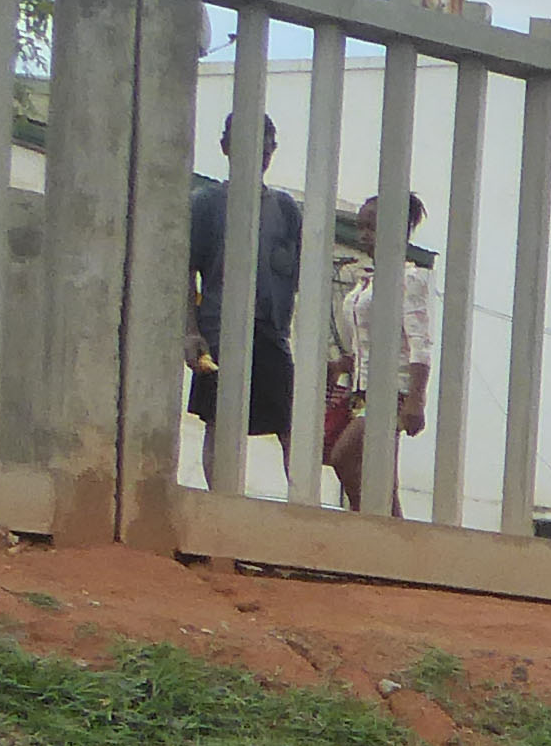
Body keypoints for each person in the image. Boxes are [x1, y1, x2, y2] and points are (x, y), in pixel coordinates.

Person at [186, 117, 303, 487]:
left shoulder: (286, 210)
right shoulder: (206, 204)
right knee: (220, 422)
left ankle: (302, 514)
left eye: (266, 145)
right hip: (221, 332)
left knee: (290, 426)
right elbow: (185, 273)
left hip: (271, 334)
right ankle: (222, 512)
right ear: (225, 147)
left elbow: (298, 278)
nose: (260, 152)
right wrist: (190, 333)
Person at [325, 190, 435, 513]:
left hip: (393, 389)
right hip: (362, 388)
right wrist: (343, 364)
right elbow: (369, 341)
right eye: (362, 227)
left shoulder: (409, 279)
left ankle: (374, 528)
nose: (364, 235)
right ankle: (390, 542)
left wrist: (417, 398)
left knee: (344, 457)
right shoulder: (367, 281)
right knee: (382, 475)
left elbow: (419, 341)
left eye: (371, 227)